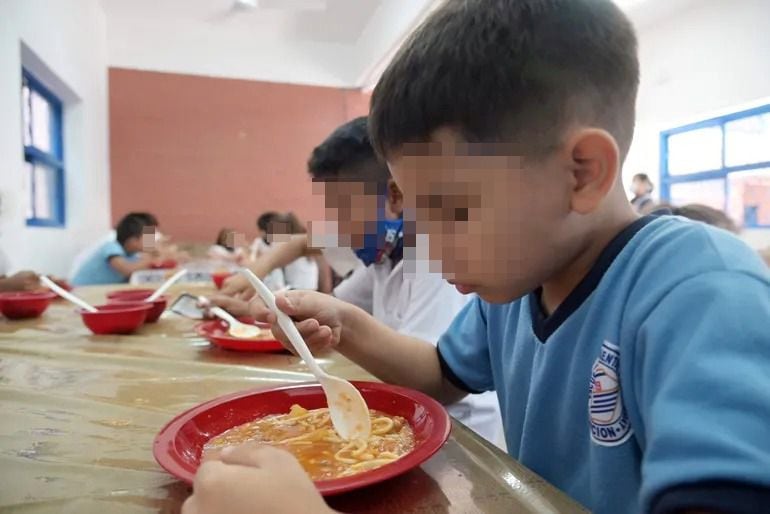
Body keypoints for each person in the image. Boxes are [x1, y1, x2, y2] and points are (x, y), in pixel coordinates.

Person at [184, 1, 770, 514]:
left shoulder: (699, 292)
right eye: (420, 217)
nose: (434, 251)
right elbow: (443, 375)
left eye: (454, 212)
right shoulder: (517, 286)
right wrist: (350, 325)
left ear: (582, 171)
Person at [216, 117, 501, 441]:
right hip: (410, 414)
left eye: (344, 210)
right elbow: (330, 303)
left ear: (395, 197)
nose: (337, 228)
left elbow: (431, 377)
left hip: (459, 435)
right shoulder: (383, 257)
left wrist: (341, 323)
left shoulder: (436, 261)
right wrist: (269, 305)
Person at [71, 212, 159, 286]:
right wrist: (150, 255)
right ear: (132, 240)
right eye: (149, 237)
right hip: (80, 292)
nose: (152, 241)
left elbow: (140, 273)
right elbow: (127, 270)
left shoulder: (132, 255)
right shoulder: (111, 247)